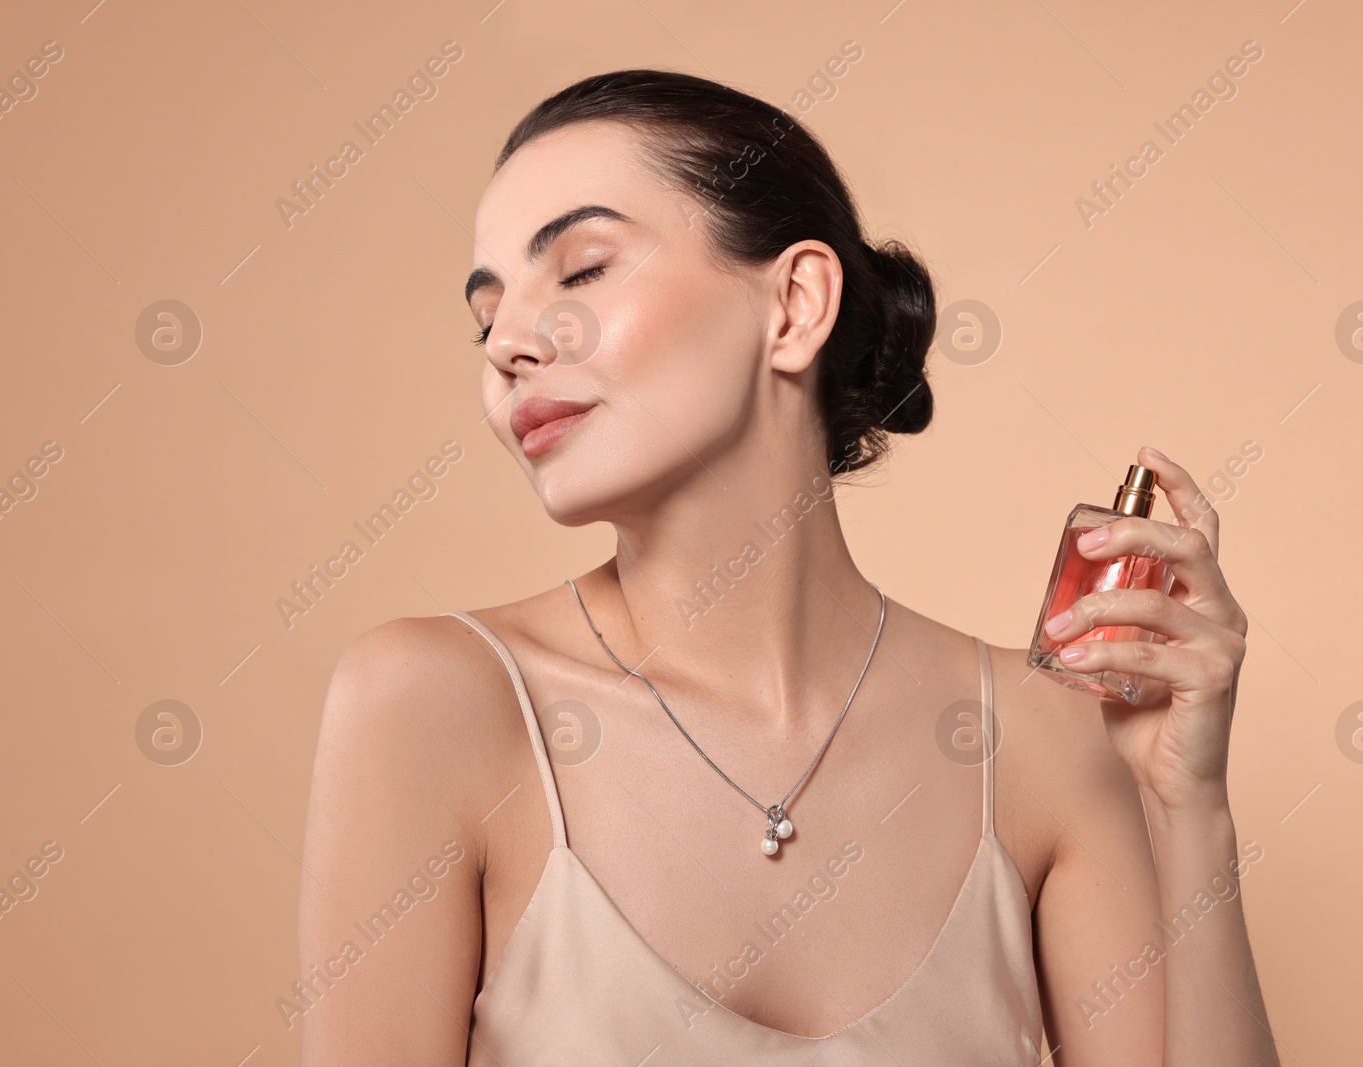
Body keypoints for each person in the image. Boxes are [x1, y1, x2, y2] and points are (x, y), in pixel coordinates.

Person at [297, 68, 1280, 1065]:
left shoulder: (1044, 735)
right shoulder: (435, 703)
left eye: (581, 269)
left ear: (796, 304)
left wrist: (1183, 811)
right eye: (486, 312)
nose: (507, 342)